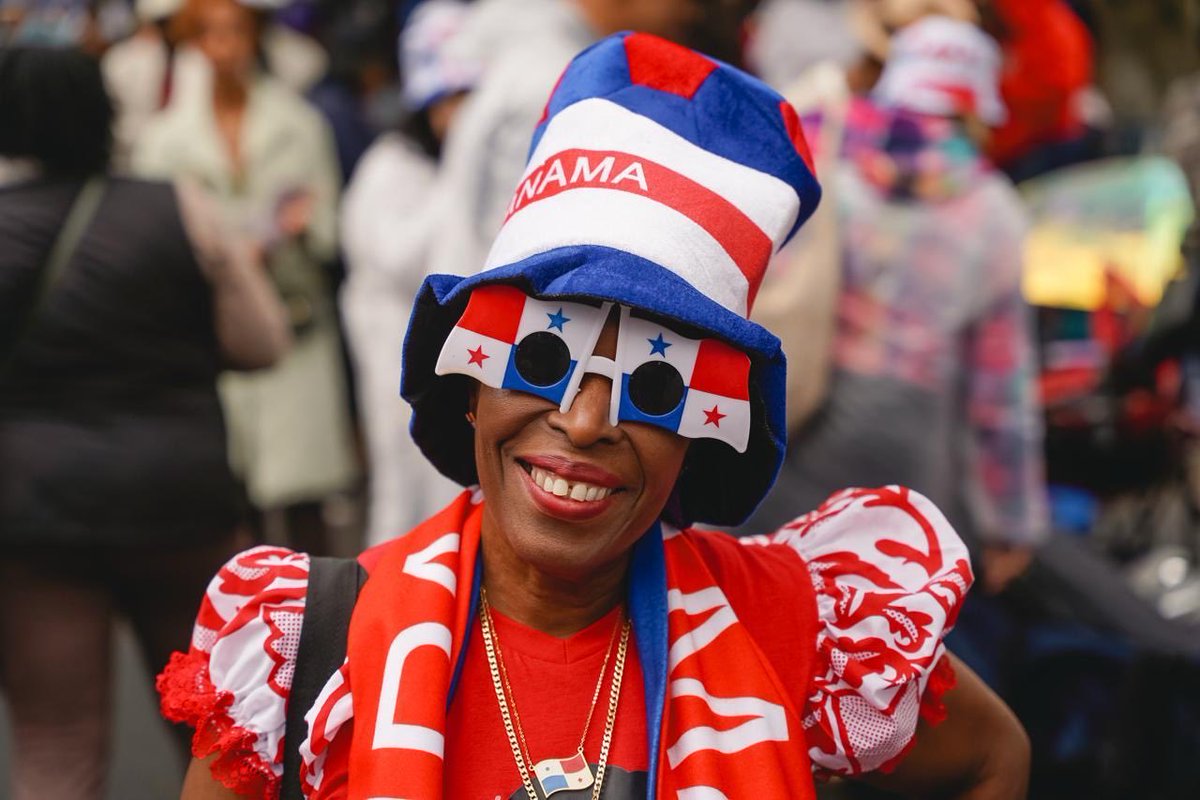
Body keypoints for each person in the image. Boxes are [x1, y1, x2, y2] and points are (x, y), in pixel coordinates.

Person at [159, 32, 1030, 799]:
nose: (582, 422)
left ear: (701, 431)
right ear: (469, 384)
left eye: (656, 388)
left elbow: (992, 758)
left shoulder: (794, 629)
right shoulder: (315, 655)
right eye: (539, 359)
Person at [0, 45, 290, 800]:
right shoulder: (178, 206)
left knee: (56, 745)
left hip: (30, 520)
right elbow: (263, 342)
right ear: (103, 112)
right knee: (220, 736)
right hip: (179, 504)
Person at [744, 16, 1049, 596]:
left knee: (771, 591)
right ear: (977, 108)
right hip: (913, 443)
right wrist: (1010, 523)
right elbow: (1000, 395)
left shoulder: (830, 164)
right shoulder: (996, 215)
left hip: (804, 413)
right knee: (879, 612)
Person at [133, 0, 358, 554]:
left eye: (235, 31)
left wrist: (302, 228)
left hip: (295, 323)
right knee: (239, 498)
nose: (224, 47)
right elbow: (157, 241)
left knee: (309, 503)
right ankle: (256, 629)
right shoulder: (163, 139)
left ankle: (323, 626)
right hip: (218, 332)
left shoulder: (298, 123)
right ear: (190, 42)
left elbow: (332, 225)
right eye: (208, 34)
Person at [426, 0, 705, 277]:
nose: (689, 11)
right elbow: (531, 249)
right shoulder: (560, 77)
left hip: (472, 301)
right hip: (498, 310)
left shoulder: (536, 60)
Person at [339, 0, 476, 546]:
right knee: (404, 485)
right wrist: (461, 180)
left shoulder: (457, 165)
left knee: (454, 489)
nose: (461, 116)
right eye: (450, 101)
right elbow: (406, 263)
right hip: (394, 346)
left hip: (451, 353)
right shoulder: (390, 166)